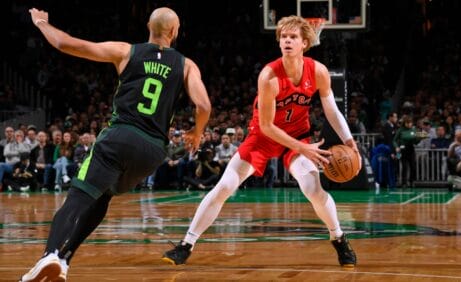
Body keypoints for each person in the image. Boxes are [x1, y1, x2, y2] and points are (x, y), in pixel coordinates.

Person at [21, 7, 211, 282]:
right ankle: (64, 261)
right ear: (174, 32)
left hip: (120, 137)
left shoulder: (127, 51)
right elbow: (204, 105)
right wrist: (196, 131)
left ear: (149, 26)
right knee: (104, 194)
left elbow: (66, 43)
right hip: (152, 151)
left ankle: (50, 254)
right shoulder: (187, 64)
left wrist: (40, 23)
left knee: (78, 197)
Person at [163, 15, 359, 268]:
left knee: (313, 189)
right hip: (263, 137)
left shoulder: (318, 71)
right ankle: (186, 245)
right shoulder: (269, 75)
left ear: (304, 43)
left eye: (293, 37)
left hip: (298, 136)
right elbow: (267, 126)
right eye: (284, 37)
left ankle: (339, 238)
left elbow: (331, 110)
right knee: (224, 187)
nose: (287, 41)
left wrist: (349, 140)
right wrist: (302, 148)